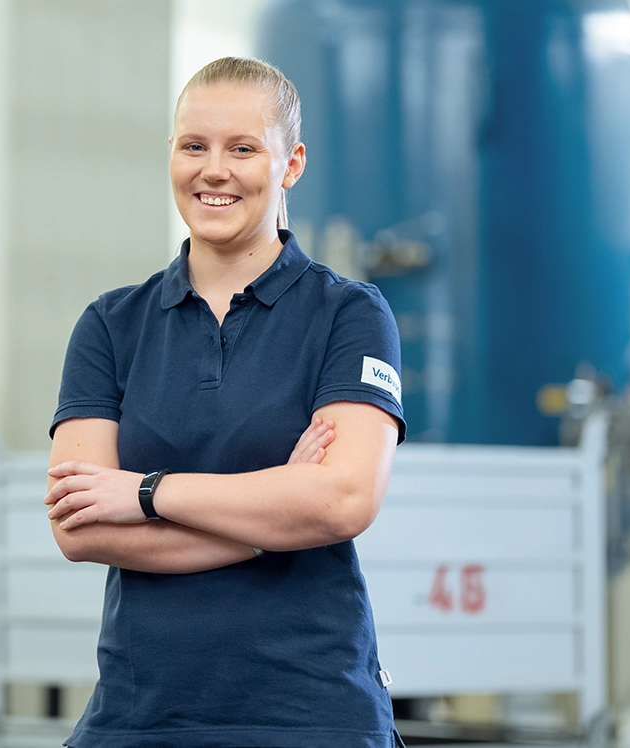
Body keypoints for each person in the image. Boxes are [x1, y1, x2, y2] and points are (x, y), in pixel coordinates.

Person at [45, 56, 407, 748]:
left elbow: (342, 503)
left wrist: (146, 492)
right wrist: (274, 517)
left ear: (290, 164)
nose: (215, 170)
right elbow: (80, 525)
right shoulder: (110, 326)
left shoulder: (349, 316)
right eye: (194, 146)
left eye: (243, 148)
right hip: (139, 714)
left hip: (312, 713)